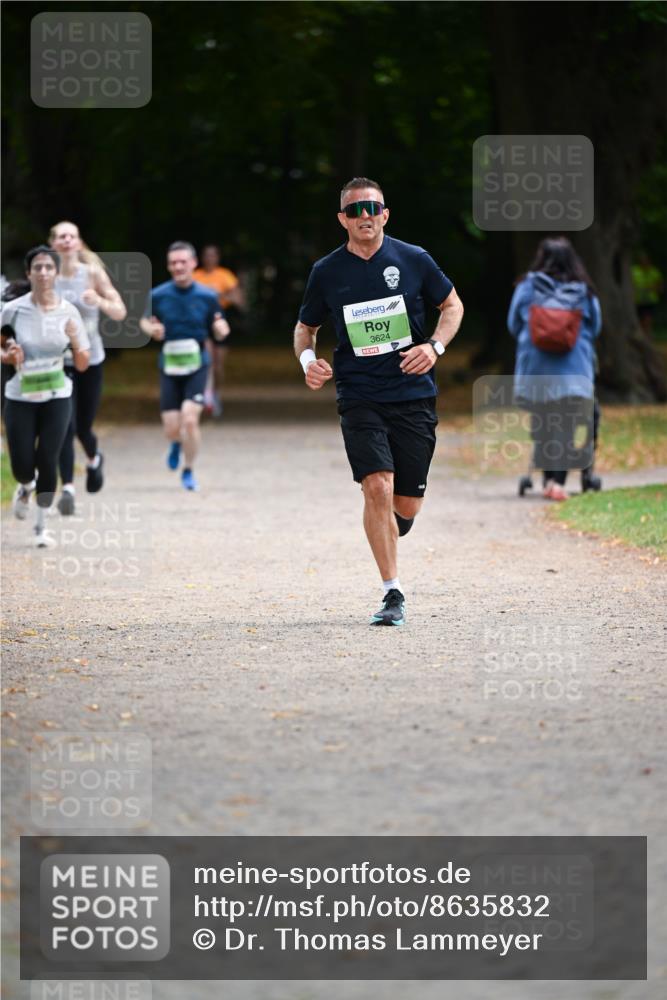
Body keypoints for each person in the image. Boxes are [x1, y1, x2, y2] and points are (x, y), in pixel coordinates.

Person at [293, 177, 464, 626]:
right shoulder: (326, 272)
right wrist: (308, 360)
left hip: (412, 394)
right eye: (355, 210)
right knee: (377, 486)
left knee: (404, 506)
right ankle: (393, 593)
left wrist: (434, 348)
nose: (364, 216)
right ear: (342, 220)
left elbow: (452, 307)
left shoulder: (413, 259)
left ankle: (391, 524)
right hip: (359, 393)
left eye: (373, 208)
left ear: (386, 214)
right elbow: (305, 328)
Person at [1, 246, 89, 546]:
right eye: (36, 267)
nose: (42, 272)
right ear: (28, 273)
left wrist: (77, 342)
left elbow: (82, 363)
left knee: (48, 458)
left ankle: (41, 527)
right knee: (22, 465)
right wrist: (9, 356)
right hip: (20, 397)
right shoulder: (12, 310)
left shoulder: (69, 311)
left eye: (48, 267)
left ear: (55, 273)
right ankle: (25, 486)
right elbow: (1, 346)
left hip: (57, 395)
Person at [507, 236, 602, 501]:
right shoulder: (583, 290)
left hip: (536, 370)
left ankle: (549, 478)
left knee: (544, 421)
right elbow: (595, 328)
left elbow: (513, 325)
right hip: (575, 371)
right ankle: (557, 483)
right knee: (567, 424)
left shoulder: (526, 287)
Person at [48, 221, 127, 514]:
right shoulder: (47, 275)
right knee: (64, 427)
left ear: (78, 243)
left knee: (83, 427)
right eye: (60, 237)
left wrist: (101, 301)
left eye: (71, 235)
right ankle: (67, 488)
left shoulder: (91, 273)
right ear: (53, 244)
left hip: (90, 360)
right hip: (58, 362)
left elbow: (120, 311)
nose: (66, 240)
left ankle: (94, 460)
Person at [139, 241, 230, 492]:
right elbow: (144, 322)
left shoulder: (208, 295)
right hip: (169, 363)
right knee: (171, 427)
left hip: (198, 362)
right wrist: (152, 330)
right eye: (173, 263)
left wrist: (221, 330)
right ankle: (176, 443)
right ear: (169, 266)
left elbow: (220, 324)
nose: (178, 266)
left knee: (190, 420)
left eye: (183, 262)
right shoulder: (158, 295)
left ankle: (188, 470)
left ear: (193, 264)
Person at [193, 245, 245, 417]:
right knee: (206, 359)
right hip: (201, 320)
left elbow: (239, 300)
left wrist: (219, 295)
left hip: (220, 319)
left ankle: (215, 394)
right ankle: (205, 396)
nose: (209, 258)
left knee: (218, 365)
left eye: (213, 255)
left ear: (217, 257)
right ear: (201, 258)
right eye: (206, 255)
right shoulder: (195, 276)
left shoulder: (225, 275)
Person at [631, 251, 663, 336]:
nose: (643, 261)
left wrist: (653, 288)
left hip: (650, 301)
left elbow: (661, 287)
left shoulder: (654, 272)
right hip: (637, 300)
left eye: (645, 260)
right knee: (640, 322)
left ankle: (648, 337)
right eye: (642, 260)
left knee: (647, 321)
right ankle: (643, 337)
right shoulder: (634, 270)